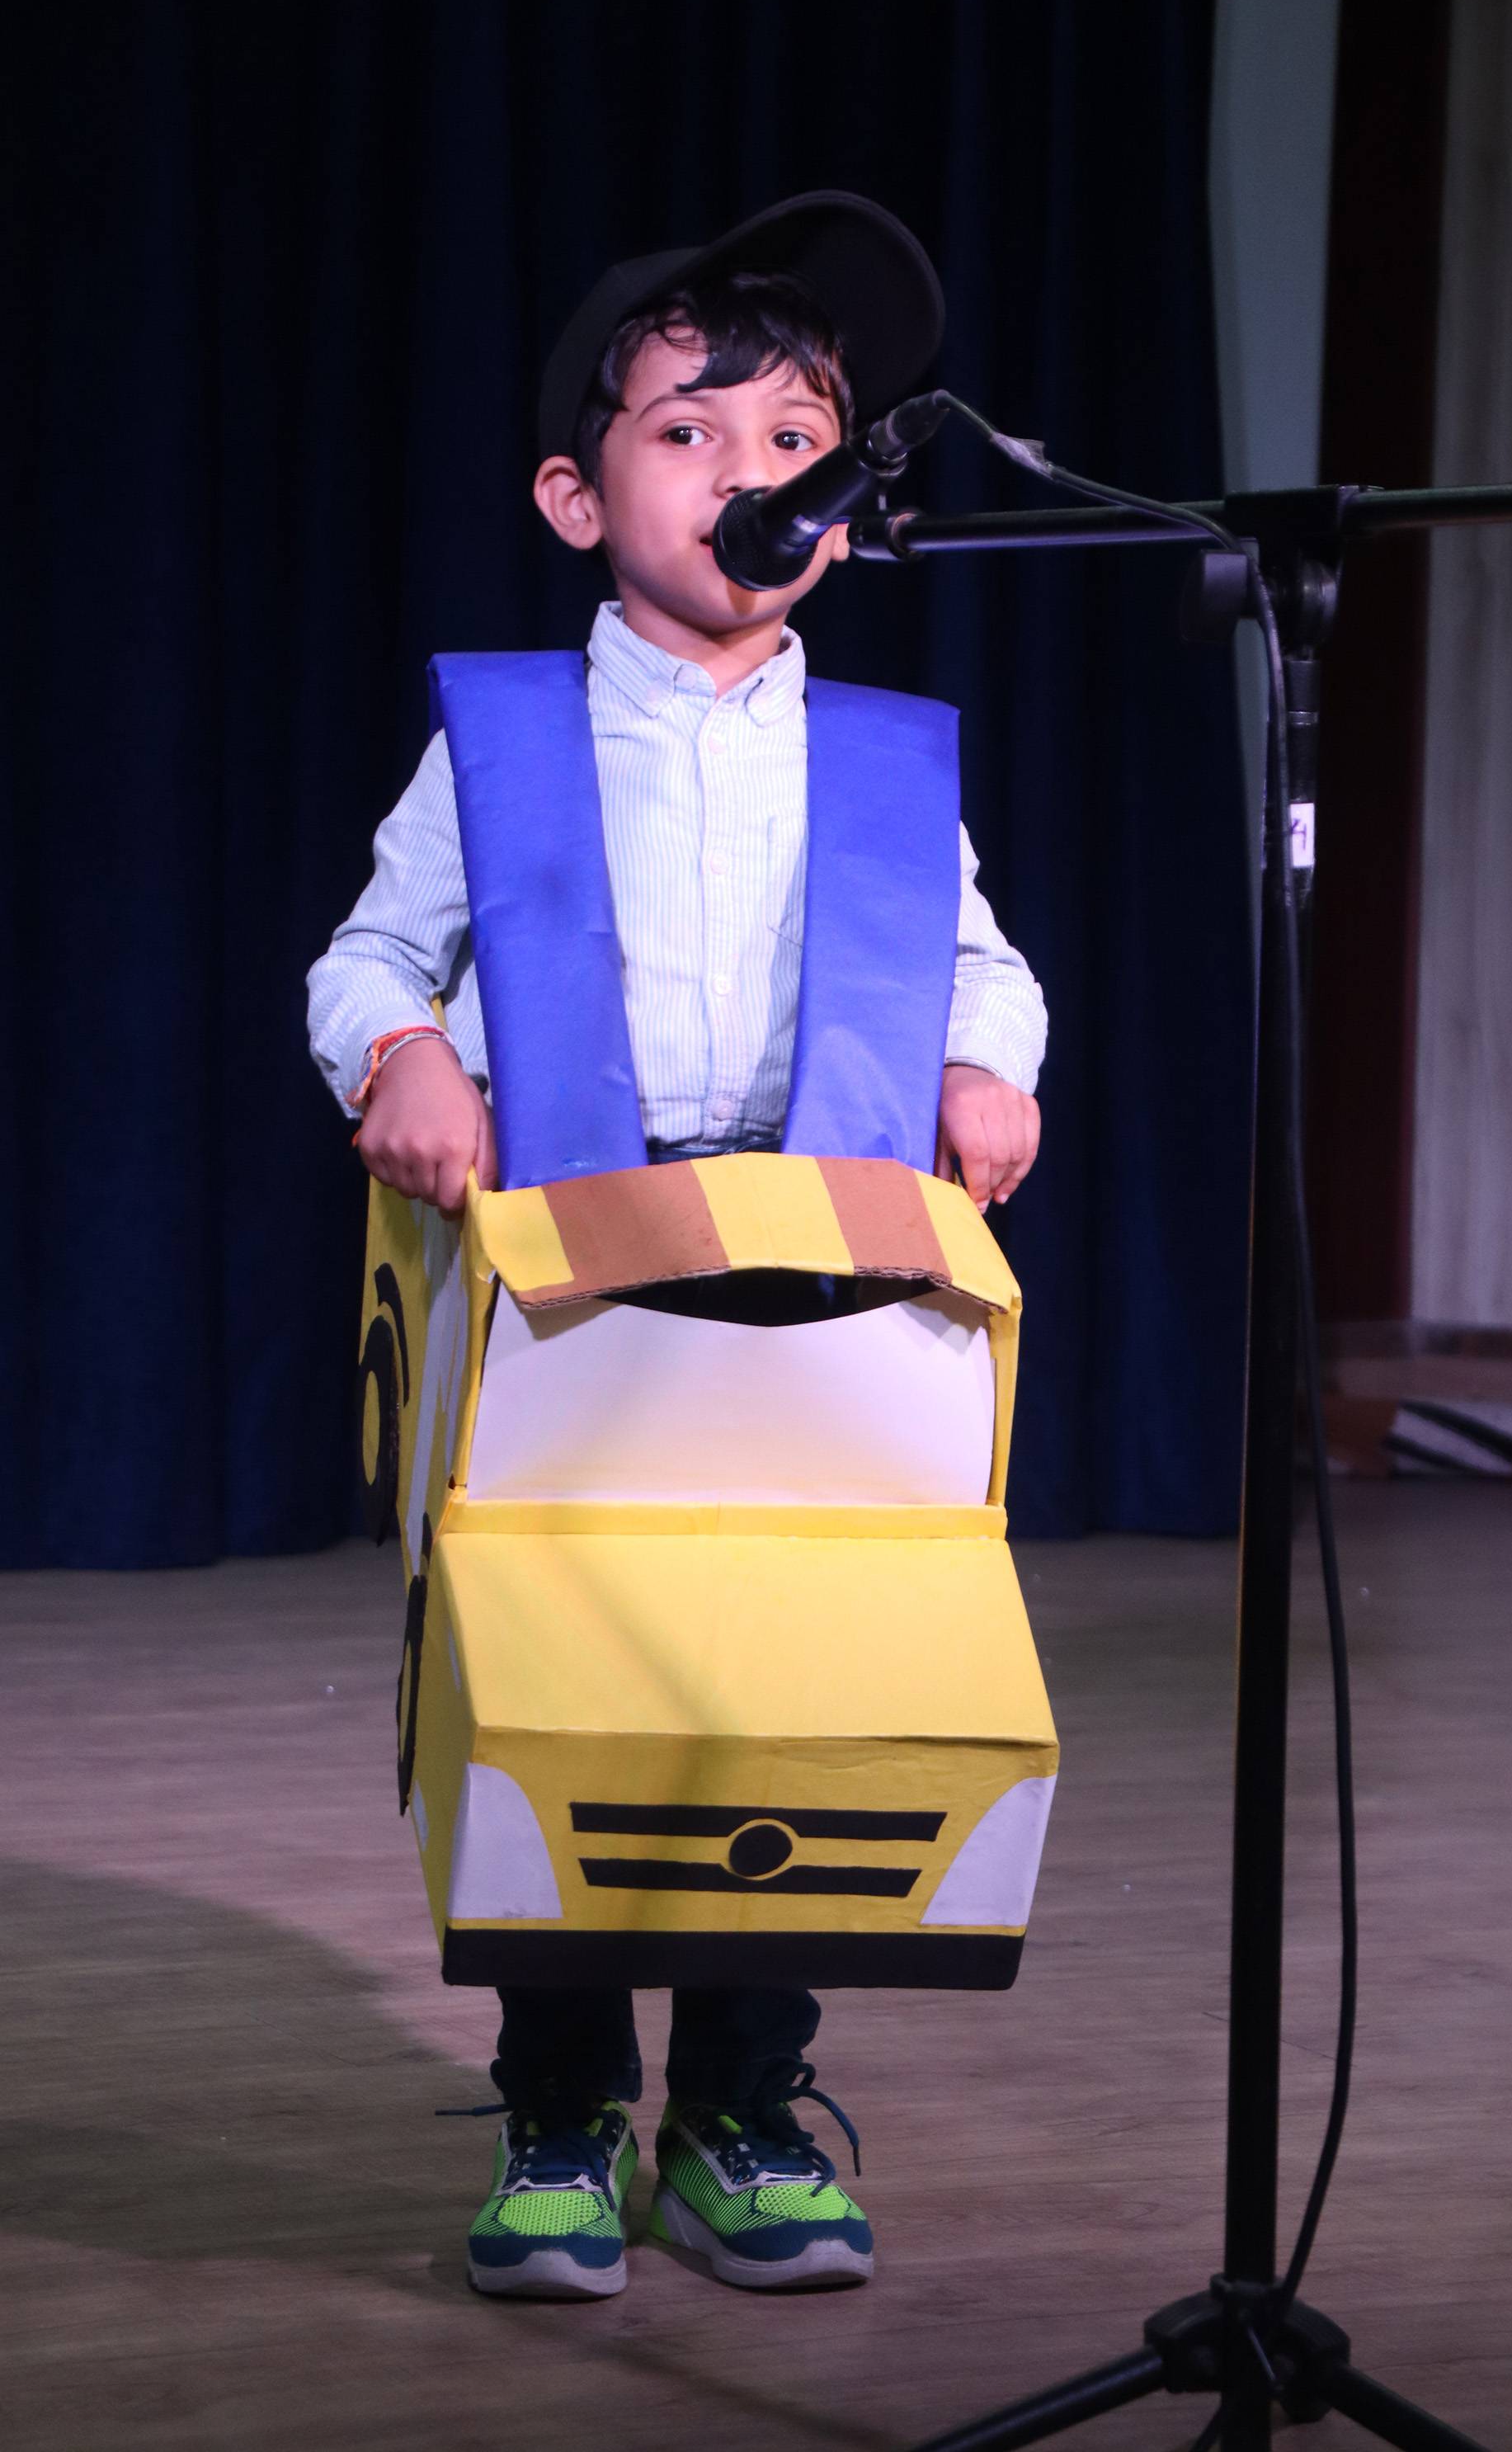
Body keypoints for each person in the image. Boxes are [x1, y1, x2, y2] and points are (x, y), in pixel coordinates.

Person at [308, 193, 1048, 2302]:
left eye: (795, 440)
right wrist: (404, 1051)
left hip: (813, 1277)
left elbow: (982, 968)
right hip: (579, 1282)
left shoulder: (878, 760)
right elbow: (368, 957)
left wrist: (988, 1063)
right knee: (582, 1686)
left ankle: (739, 2103)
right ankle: (558, 2108)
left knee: (774, 1685)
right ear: (579, 495)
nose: (752, 476)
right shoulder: (508, 740)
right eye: (692, 435)